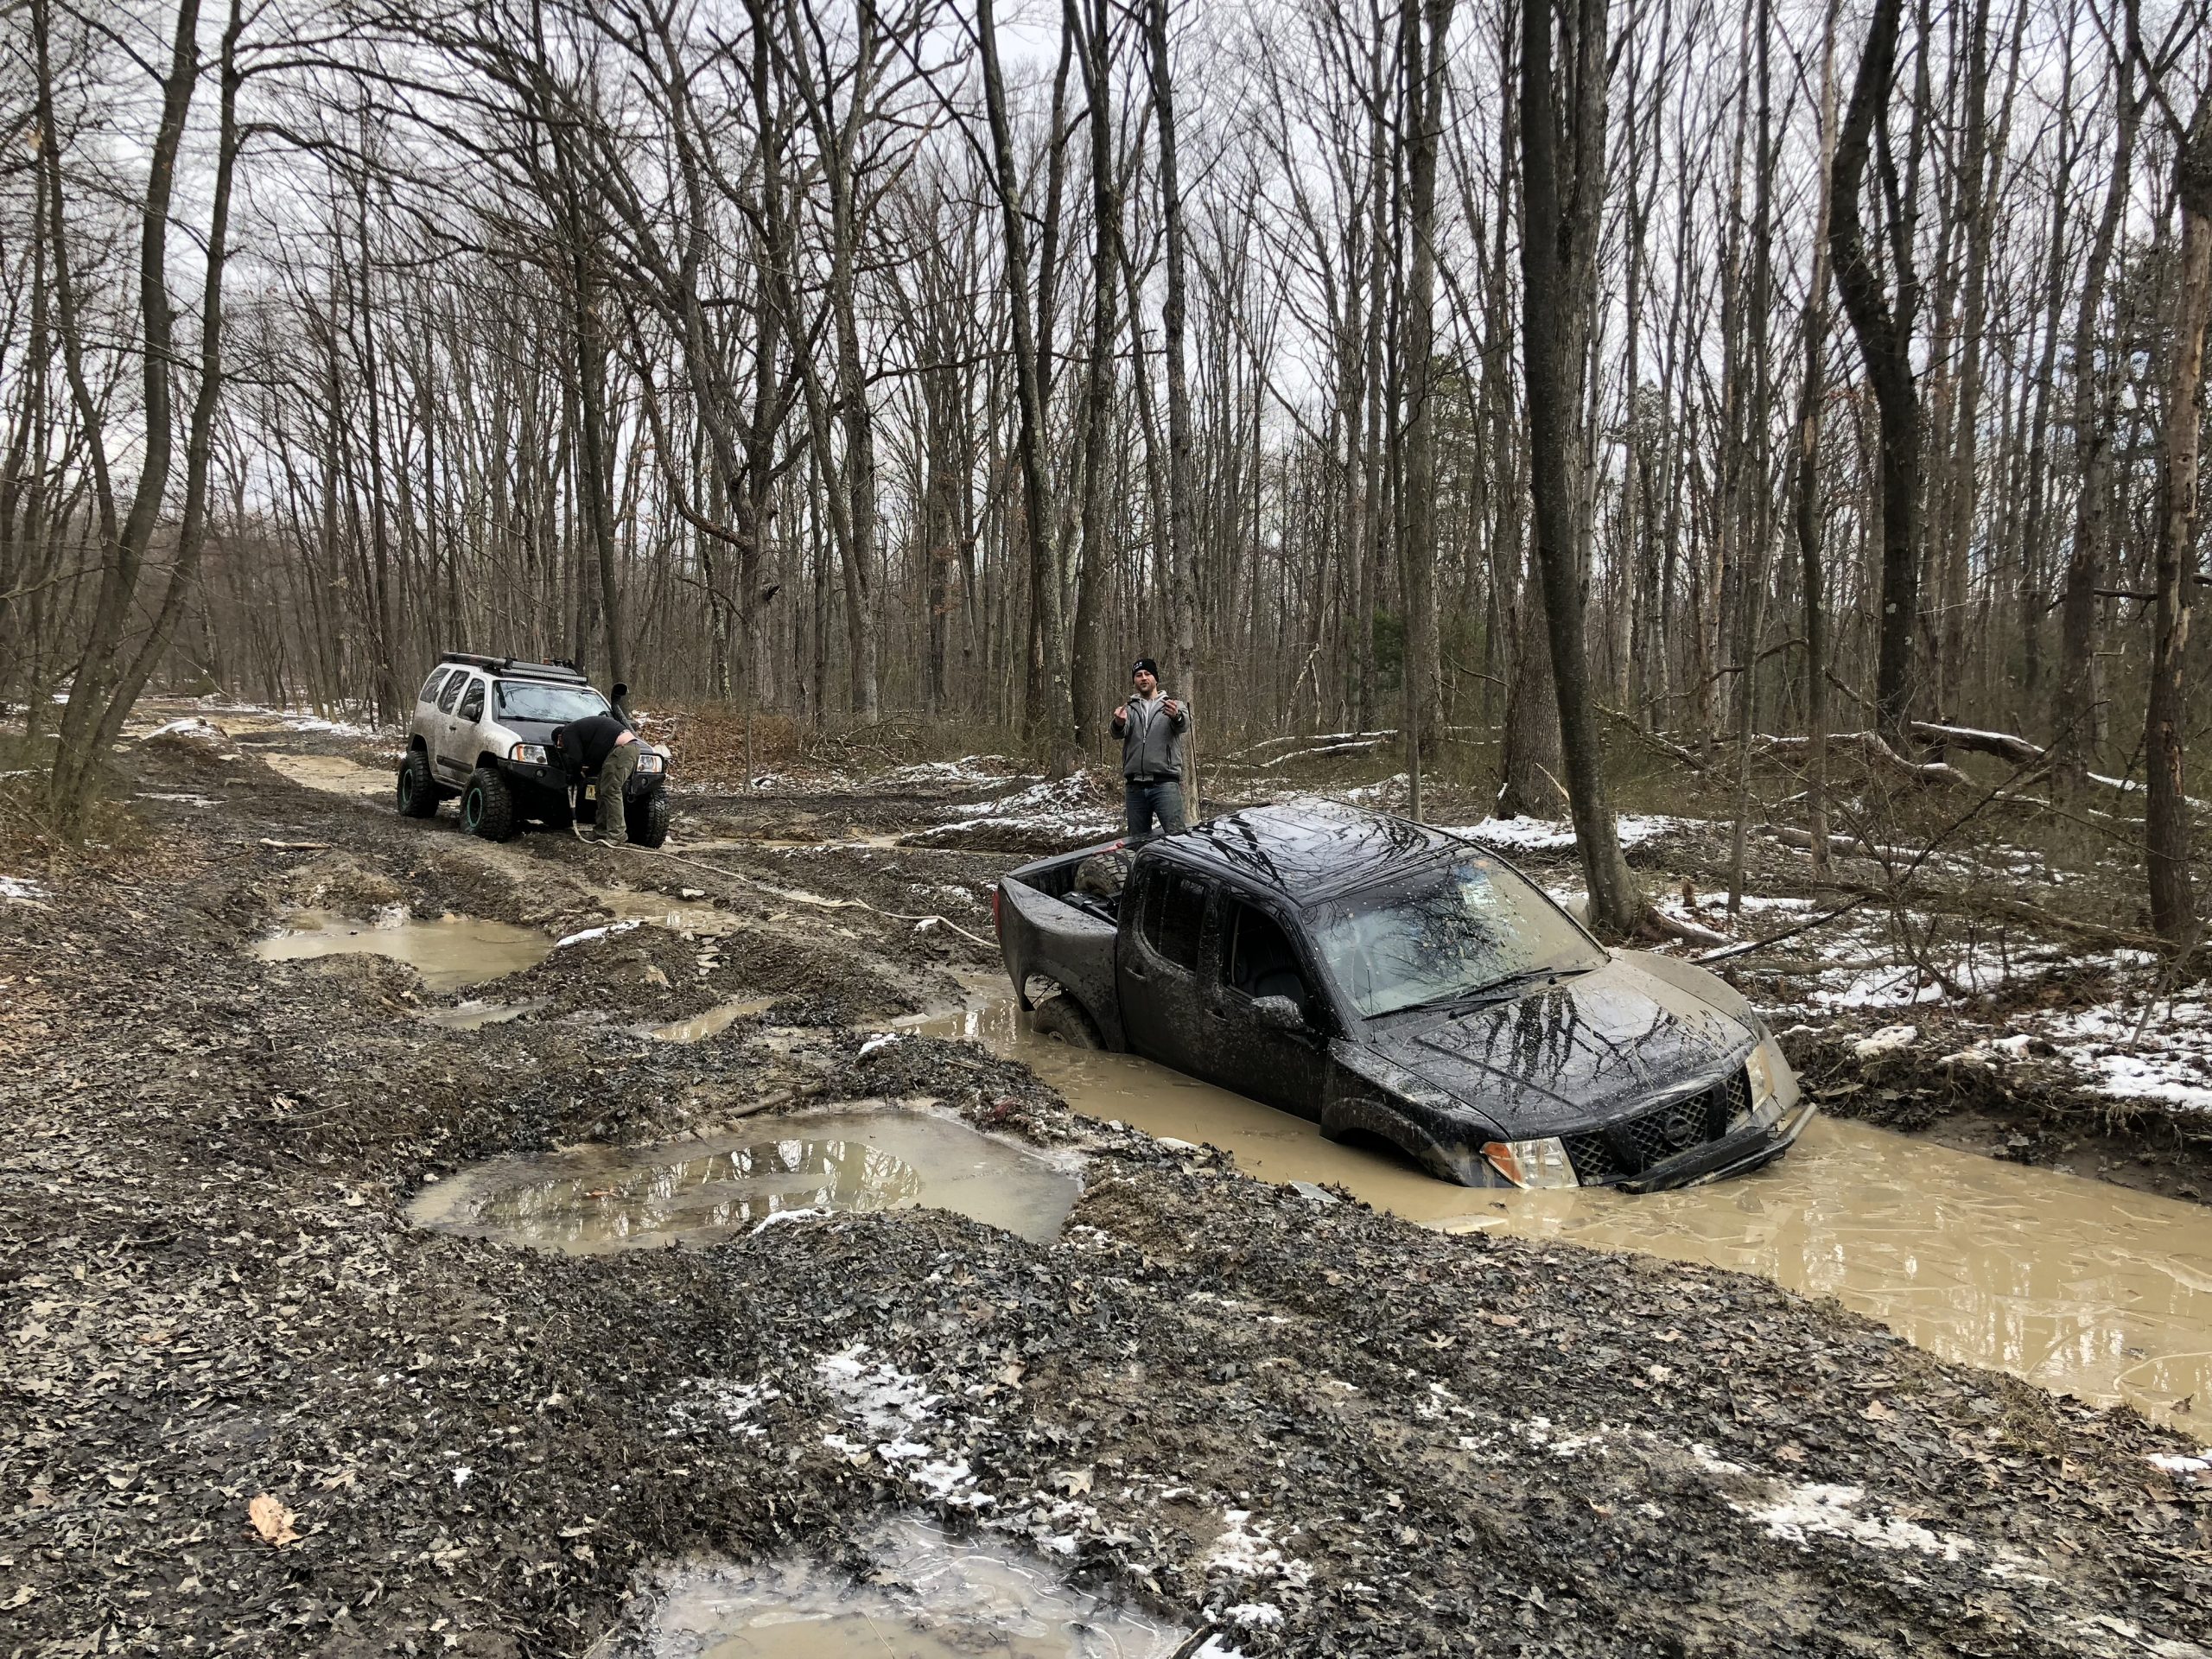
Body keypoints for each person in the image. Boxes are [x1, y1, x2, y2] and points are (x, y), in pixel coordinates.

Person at [1110, 658, 1189, 838]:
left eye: (1147, 674)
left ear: (1156, 679)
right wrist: (1118, 722)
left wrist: (1176, 716)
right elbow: (1117, 733)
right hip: (1135, 787)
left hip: (1165, 783)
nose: (1143, 678)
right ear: (1134, 681)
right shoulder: (1129, 709)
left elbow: (1183, 725)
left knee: (1177, 837)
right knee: (1137, 842)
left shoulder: (1172, 705)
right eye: (1138, 675)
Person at [555, 711, 641, 843]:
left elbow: (576, 759)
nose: (563, 747)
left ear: (559, 737)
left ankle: (617, 834)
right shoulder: (584, 733)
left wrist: (575, 776)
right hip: (623, 749)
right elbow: (597, 761)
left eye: (561, 744)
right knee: (601, 789)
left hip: (623, 749)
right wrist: (583, 775)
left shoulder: (568, 732)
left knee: (611, 790)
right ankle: (601, 831)